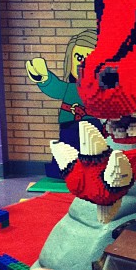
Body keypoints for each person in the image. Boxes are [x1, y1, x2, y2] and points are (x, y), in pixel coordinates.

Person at [25, 29, 105, 178]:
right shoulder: (70, 88)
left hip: (92, 124)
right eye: (79, 57)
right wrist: (44, 78)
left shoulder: (100, 88)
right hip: (69, 124)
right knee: (67, 147)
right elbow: (56, 88)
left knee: (93, 149)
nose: (83, 64)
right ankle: (63, 171)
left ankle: (93, 171)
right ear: (71, 59)